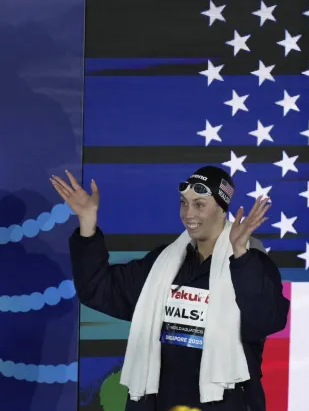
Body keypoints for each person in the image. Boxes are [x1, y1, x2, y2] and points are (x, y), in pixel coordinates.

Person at [50, 166, 290, 411]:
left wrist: (240, 254)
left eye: (199, 204)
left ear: (222, 209)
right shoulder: (162, 264)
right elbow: (98, 289)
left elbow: (266, 320)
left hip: (225, 403)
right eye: (184, 203)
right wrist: (87, 221)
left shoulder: (249, 263)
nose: (188, 213)